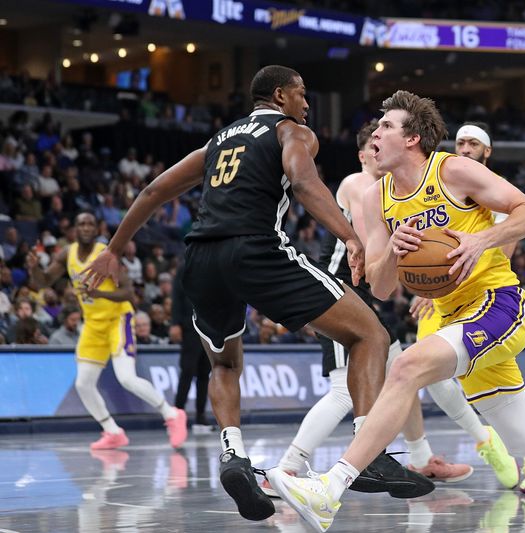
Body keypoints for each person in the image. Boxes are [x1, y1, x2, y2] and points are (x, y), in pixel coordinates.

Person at [268, 90, 525, 532]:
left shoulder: (453, 170)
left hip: (498, 303)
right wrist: (392, 249)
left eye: (387, 125)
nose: (376, 132)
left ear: (412, 139)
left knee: (405, 366)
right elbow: (383, 287)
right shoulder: (374, 200)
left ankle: (330, 488)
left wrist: (481, 240)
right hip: (451, 316)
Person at [80, 66, 429, 523]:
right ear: (281, 95)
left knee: (224, 363)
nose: (308, 104)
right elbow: (304, 183)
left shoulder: (218, 141)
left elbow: (155, 189)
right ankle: (372, 455)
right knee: (371, 336)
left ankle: (233, 454)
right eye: (303, 94)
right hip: (255, 250)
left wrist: (113, 249)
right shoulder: (292, 130)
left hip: (200, 260)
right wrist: (350, 236)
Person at [261, 121, 470, 499]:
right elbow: (379, 240)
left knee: (400, 374)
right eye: (372, 146)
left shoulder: (391, 192)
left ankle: (421, 457)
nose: (378, 150)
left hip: (366, 297)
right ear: (363, 155)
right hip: (338, 293)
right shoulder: (360, 185)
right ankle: (289, 465)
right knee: (343, 390)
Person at [411, 121, 525, 494]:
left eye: (473, 143)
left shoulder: (499, 197)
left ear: (487, 151)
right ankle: (485, 440)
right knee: (426, 372)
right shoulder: (442, 189)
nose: (465, 148)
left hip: (486, 298)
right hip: (443, 300)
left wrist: (441, 276)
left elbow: (499, 254)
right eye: (460, 142)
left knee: (504, 391)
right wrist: (425, 283)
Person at [27, 212, 187, 451]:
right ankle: (112, 431)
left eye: (91, 223)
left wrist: (98, 293)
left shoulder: (106, 252)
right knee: (83, 383)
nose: (86, 227)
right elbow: (43, 282)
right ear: (74, 229)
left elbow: (129, 293)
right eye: (81, 223)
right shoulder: (67, 254)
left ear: (97, 228)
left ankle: (172, 414)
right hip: (92, 323)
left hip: (118, 319)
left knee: (126, 378)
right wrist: (33, 269)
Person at [171, 260, 213, 431]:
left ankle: (200, 415)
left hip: (210, 326)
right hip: (189, 327)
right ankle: (178, 414)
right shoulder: (186, 265)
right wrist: (175, 323)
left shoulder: (214, 265)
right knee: (187, 370)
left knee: (205, 372)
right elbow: (176, 295)